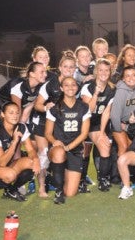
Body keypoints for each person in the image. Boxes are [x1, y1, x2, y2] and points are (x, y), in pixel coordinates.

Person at [33, 50, 76, 197]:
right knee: (44, 155)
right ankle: (41, 187)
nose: (69, 70)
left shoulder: (76, 85)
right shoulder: (50, 85)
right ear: (60, 67)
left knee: (62, 153)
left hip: (64, 126)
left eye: (72, 67)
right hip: (44, 123)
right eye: (66, 66)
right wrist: (46, 108)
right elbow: (37, 104)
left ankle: (62, 183)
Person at [45, 77, 91, 204]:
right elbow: (48, 133)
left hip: (74, 149)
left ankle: (55, 174)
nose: (70, 87)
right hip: (59, 148)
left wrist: (69, 147)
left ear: (77, 87)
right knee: (59, 153)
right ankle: (58, 191)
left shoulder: (84, 107)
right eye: (66, 85)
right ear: (61, 88)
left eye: (73, 85)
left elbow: (84, 133)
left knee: (70, 193)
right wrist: (55, 142)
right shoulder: (55, 108)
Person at [80, 59, 116, 192]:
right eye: (100, 70)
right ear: (96, 71)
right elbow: (89, 109)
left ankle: (103, 179)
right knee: (85, 151)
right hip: (85, 122)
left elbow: (106, 112)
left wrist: (101, 132)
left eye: (107, 70)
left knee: (105, 145)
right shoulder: (88, 86)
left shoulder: (112, 88)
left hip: (100, 123)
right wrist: (96, 93)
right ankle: (81, 181)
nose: (104, 73)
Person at [0, 61, 47, 130]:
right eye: (42, 72)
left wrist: (21, 128)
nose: (45, 75)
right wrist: (17, 128)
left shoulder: (39, 89)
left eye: (45, 72)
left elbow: (26, 111)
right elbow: (17, 110)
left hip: (10, 111)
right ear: (32, 74)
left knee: (14, 134)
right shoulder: (18, 85)